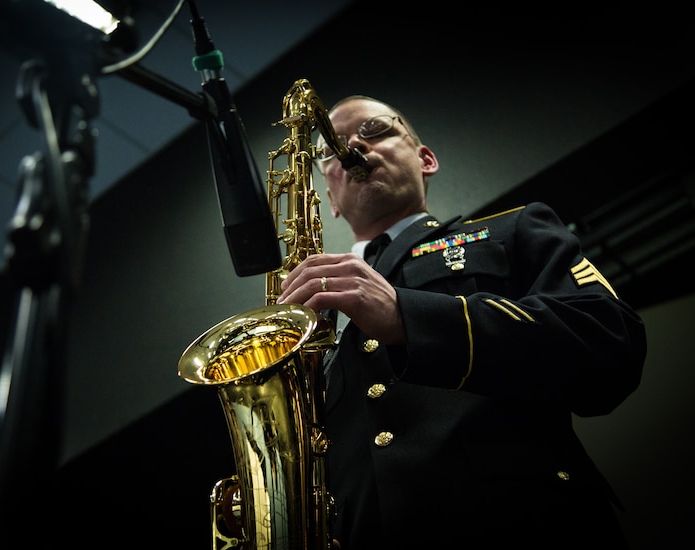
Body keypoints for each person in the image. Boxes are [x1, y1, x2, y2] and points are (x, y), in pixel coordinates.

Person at [276, 95, 647, 548]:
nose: (354, 147)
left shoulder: (513, 229)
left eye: (375, 131)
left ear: (425, 159)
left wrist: (407, 316)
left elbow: (611, 341)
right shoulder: (312, 312)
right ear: (329, 199)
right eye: (333, 150)